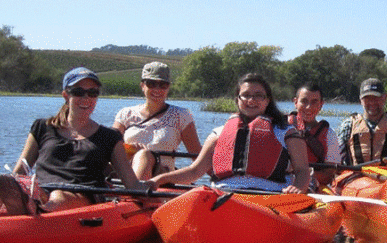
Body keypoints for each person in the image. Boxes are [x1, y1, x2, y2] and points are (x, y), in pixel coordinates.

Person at [0, 67, 146, 216]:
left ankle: (35, 210)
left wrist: (154, 185)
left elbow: (131, 184)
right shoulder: (42, 127)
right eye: (78, 92)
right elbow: (22, 169)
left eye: (93, 93)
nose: (86, 98)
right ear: (66, 95)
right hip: (39, 190)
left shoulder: (110, 137)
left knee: (59, 195)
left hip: (84, 195)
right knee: (18, 192)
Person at [149, 73, 310, 193]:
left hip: (270, 196)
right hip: (224, 195)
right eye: (245, 95)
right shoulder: (218, 133)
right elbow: (195, 171)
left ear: (267, 101)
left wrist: (297, 188)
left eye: (258, 96)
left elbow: (302, 170)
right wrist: (159, 179)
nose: (251, 100)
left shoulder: (287, 132)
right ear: (237, 99)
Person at [113, 61, 201, 180]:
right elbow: (110, 148)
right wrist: (129, 149)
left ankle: (137, 192)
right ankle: (134, 191)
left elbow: (199, 159)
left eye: (162, 85)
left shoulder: (181, 115)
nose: (157, 89)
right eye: (151, 83)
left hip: (162, 179)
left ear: (168, 87)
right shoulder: (125, 114)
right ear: (142, 85)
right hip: (127, 174)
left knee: (145, 154)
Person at [288, 82, 342, 188]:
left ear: (321, 104)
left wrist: (302, 178)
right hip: (283, 183)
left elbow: (329, 174)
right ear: (295, 102)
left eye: (314, 102)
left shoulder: (329, 135)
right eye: (304, 101)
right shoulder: (281, 127)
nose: (308, 107)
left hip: (314, 186)